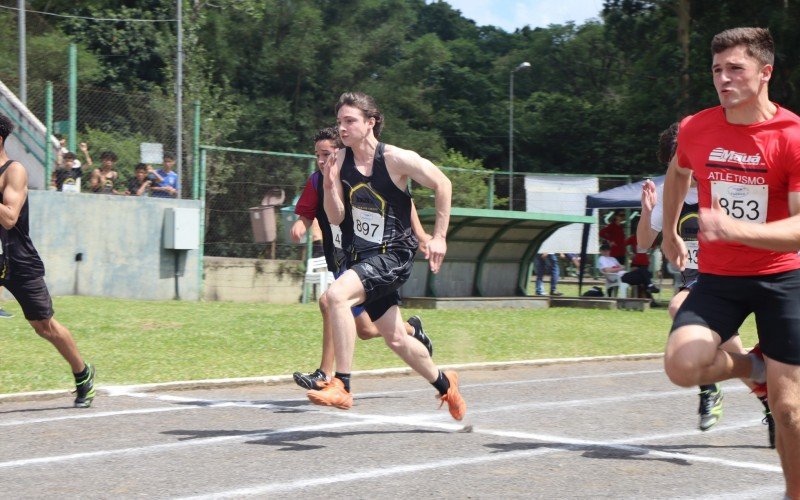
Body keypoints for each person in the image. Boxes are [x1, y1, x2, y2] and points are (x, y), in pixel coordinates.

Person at [660, 28, 800, 496]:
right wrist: (671, 228)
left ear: (765, 73)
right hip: (720, 278)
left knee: (789, 412)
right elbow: (678, 170)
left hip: (785, 277)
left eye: (735, 68)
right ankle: (753, 366)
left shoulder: (792, 136)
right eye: (717, 70)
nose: (724, 78)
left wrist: (738, 229)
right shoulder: (697, 128)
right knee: (683, 365)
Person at [306, 92, 465, 421]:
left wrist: (438, 237)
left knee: (335, 296)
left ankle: (343, 385)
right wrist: (331, 185)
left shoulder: (393, 159)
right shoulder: (339, 162)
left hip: (394, 254)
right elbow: (335, 218)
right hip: (363, 258)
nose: (343, 128)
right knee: (395, 338)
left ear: (370, 122)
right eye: (339, 122)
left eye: (350, 121)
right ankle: (444, 383)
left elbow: (443, 183)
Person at [639, 122, 773, 439]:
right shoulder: (672, 195)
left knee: (740, 354)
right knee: (679, 309)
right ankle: (712, 388)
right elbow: (645, 242)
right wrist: (648, 211)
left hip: (743, 274)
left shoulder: (727, 182)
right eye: (675, 163)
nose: (683, 167)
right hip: (703, 281)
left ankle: (766, 398)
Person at [290, 127, 433, 390]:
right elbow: (308, 210)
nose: (322, 161)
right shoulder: (315, 182)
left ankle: (326, 374)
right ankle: (412, 331)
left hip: (369, 258)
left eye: (327, 154)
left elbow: (404, 202)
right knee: (366, 331)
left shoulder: (357, 175)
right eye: (317, 156)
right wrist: (302, 223)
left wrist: (422, 235)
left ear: (342, 153)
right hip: (342, 259)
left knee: (328, 302)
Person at [0, 113, 95, 407]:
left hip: (17, 259)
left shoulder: (14, 171)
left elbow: (9, 217)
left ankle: (82, 373)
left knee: (44, 326)